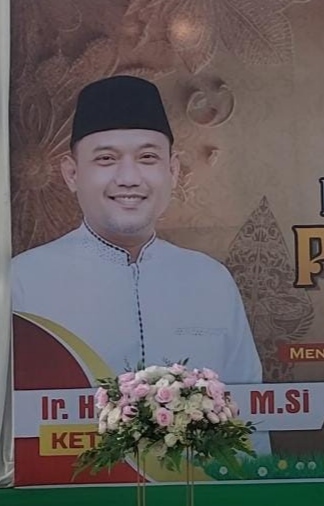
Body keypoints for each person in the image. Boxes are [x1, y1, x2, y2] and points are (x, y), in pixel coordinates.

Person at [10, 75, 270, 455]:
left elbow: (250, 422)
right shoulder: (21, 283)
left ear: (173, 171)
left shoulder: (211, 280)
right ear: (72, 174)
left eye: (148, 158)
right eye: (106, 159)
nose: (129, 178)